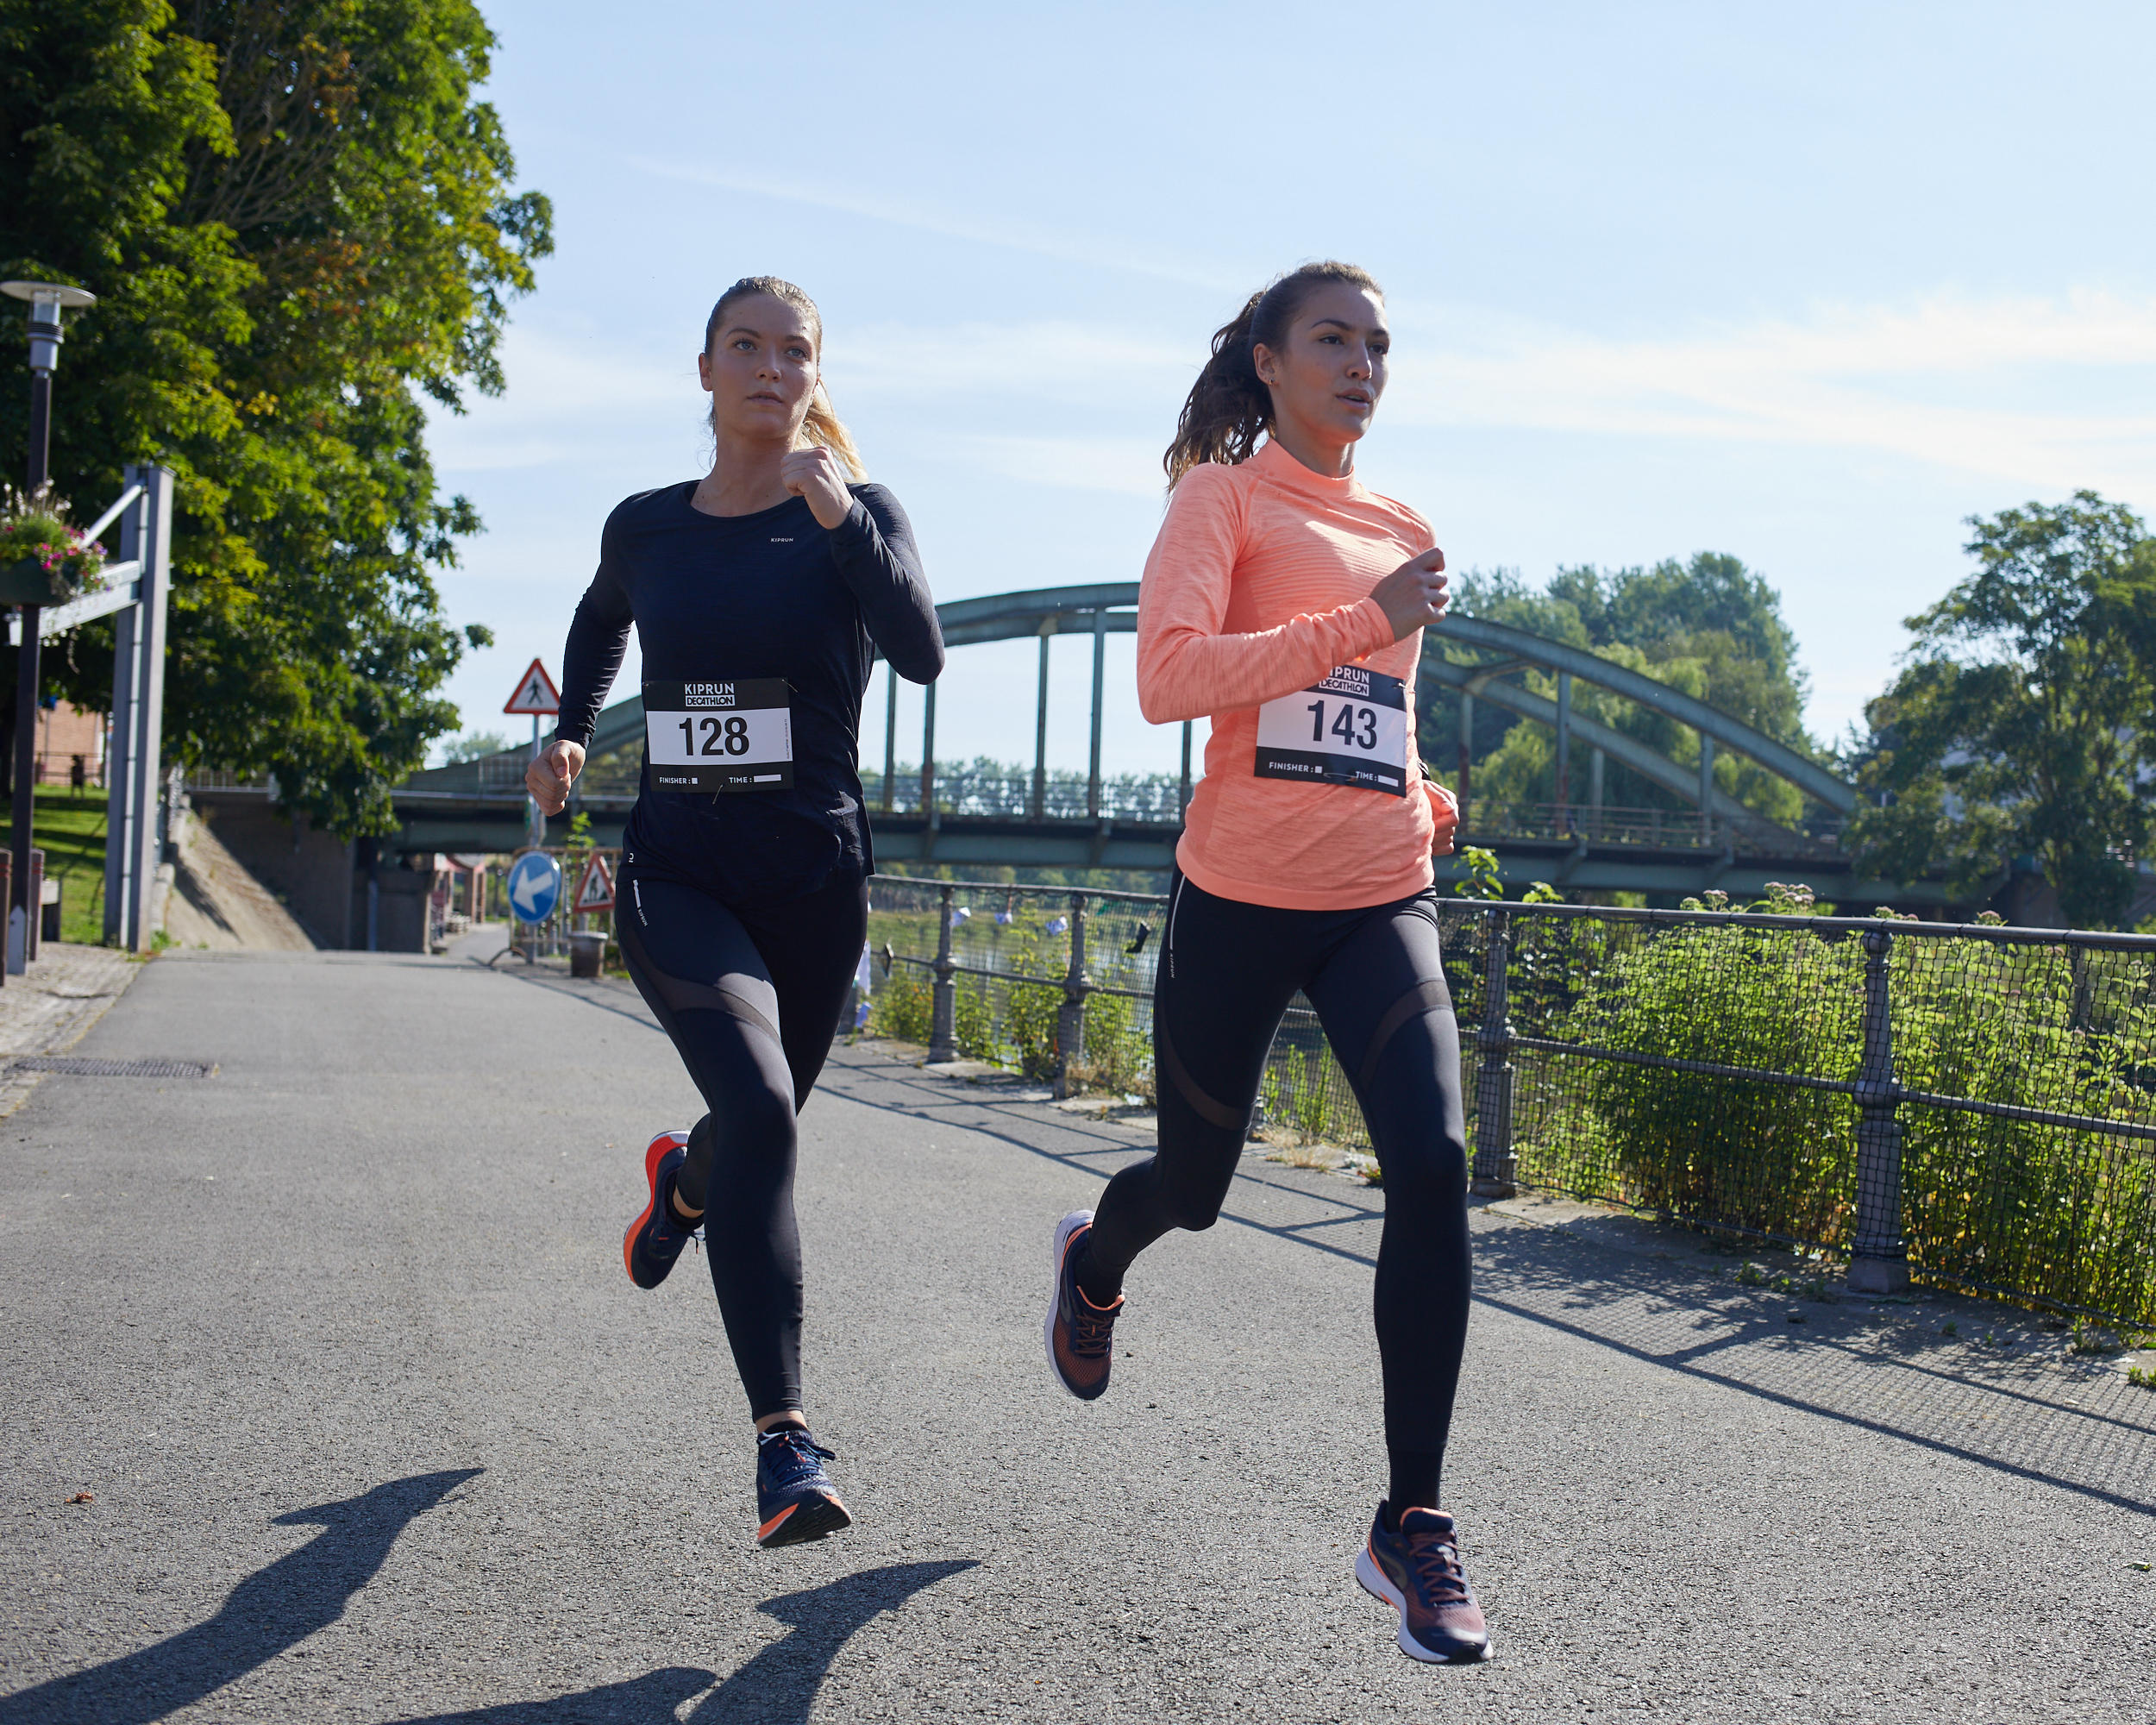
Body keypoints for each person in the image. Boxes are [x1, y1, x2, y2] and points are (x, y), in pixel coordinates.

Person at [1041, 261, 1486, 1663]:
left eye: (1379, 345)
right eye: (1334, 340)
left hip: (1376, 896)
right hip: (1236, 895)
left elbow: (1367, 708)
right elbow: (1172, 677)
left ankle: (1410, 1523)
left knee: (1434, 1165)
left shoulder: (1402, 523)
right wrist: (1368, 618)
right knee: (1194, 1185)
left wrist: (1418, 788)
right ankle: (1096, 1266)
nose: (1362, 363)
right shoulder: (1219, 501)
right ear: (1271, 362)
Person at [529, 276, 943, 1549]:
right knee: (764, 1109)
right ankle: (785, 1444)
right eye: (746, 349)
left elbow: (921, 650)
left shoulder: (856, 514)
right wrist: (570, 732)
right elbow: (601, 623)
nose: (771, 368)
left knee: (749, 1132)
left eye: (794, 352)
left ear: (817, 377)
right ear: (704, 371)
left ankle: (683, 1189)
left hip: (815, 884)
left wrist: (843, 527)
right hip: (681, 874)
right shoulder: (648, 527)